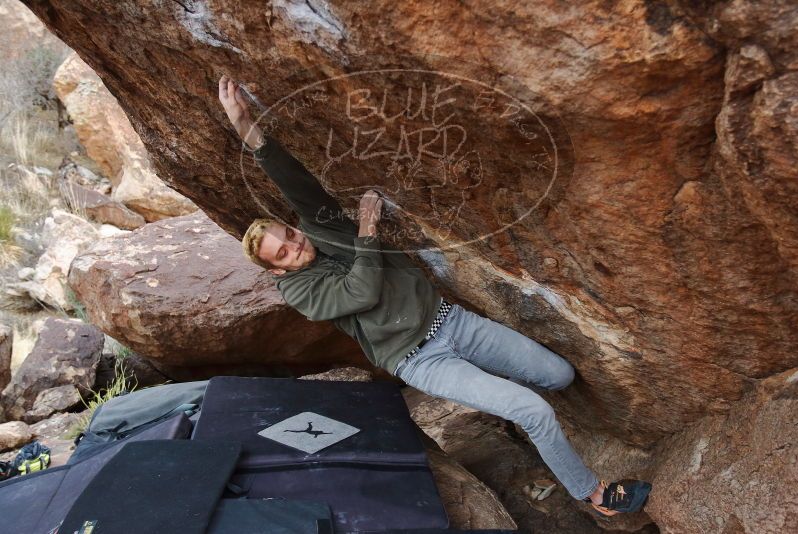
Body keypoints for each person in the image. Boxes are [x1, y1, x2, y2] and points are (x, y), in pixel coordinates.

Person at [218, 75, 651, 516]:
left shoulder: (318, 228)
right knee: (534, 409)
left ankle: (504, 401)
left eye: (290, 234)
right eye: (285, 253)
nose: (297, 246)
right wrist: (367, 230)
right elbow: (361, 291)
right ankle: (593, 495)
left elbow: (294, 180)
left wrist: (246, 125)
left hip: (452, 320)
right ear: (277, 268)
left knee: (559, 376)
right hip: (419, 360)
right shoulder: (300, 291)